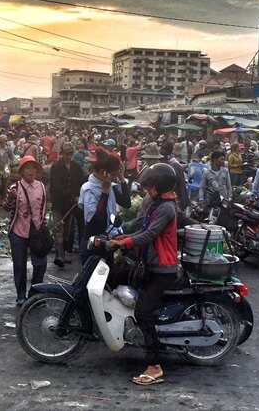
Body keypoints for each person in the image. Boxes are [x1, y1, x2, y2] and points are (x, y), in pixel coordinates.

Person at [105, 163, 178, 386]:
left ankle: (154, 366)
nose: (147, 190)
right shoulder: (157, 205)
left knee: (143, 312)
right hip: (151, 265)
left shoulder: (166, 208)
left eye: (150, 186)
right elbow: (141, 230)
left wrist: (122, 243)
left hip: (163, 269)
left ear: (160, 185)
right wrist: (121, 236)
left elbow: (148, 235)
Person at [4, 156, 49, 306]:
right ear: (22, 171)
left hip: (36, 231)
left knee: (41, 263)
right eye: (28, 168)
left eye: (33, 168)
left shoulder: (41, 187)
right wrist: (11, 199)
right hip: (19, 231)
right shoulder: (14, 188)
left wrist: (43, 225)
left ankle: (35, 293)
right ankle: (21, 295)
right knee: (19, 265)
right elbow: (6, 208)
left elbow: (43, 208)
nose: (31, 171)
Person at [78, 151, 121, 263]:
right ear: (103, 173)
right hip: (93, 242)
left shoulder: (110, 186)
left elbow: (126, 202)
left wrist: (122, 179)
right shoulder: (88, 189)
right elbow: (96, 220)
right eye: (113, 175)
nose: (114, 178)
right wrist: (105, 193)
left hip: (107, 240)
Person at [50, 142, 85, 268]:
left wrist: (79, 195)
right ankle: (59, 255)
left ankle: (65, 252)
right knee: (59, 227)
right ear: (62, 154)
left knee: (68, 230)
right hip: (59, 202)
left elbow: (82, 181)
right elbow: (55, 186)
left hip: (71, 204)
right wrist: (71, 196)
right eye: (66, 154)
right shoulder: (56, 167)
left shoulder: (76, 166)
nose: (69, 156)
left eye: (71, 154)